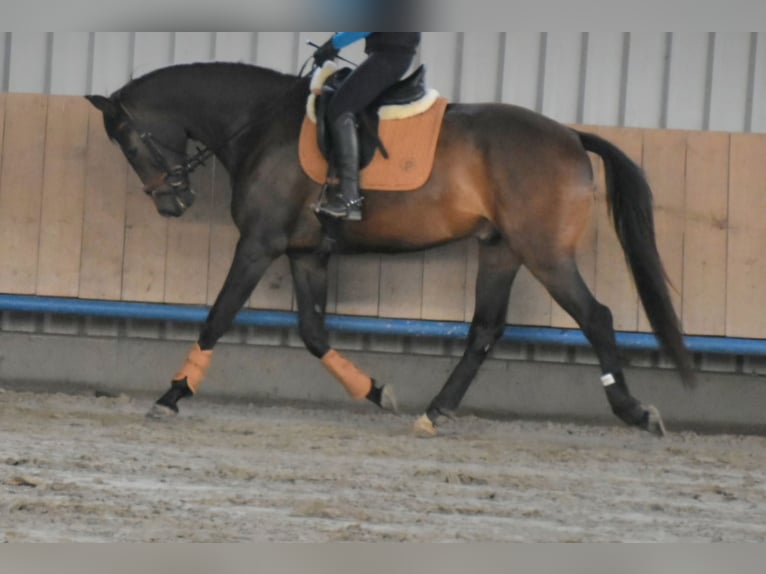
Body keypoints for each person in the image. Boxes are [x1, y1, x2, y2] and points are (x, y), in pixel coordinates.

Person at [313, 32, 421, 221]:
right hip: (392, 54)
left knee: (339, 109)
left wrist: (333, 44)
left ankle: (349, 199)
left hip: (388, 56)